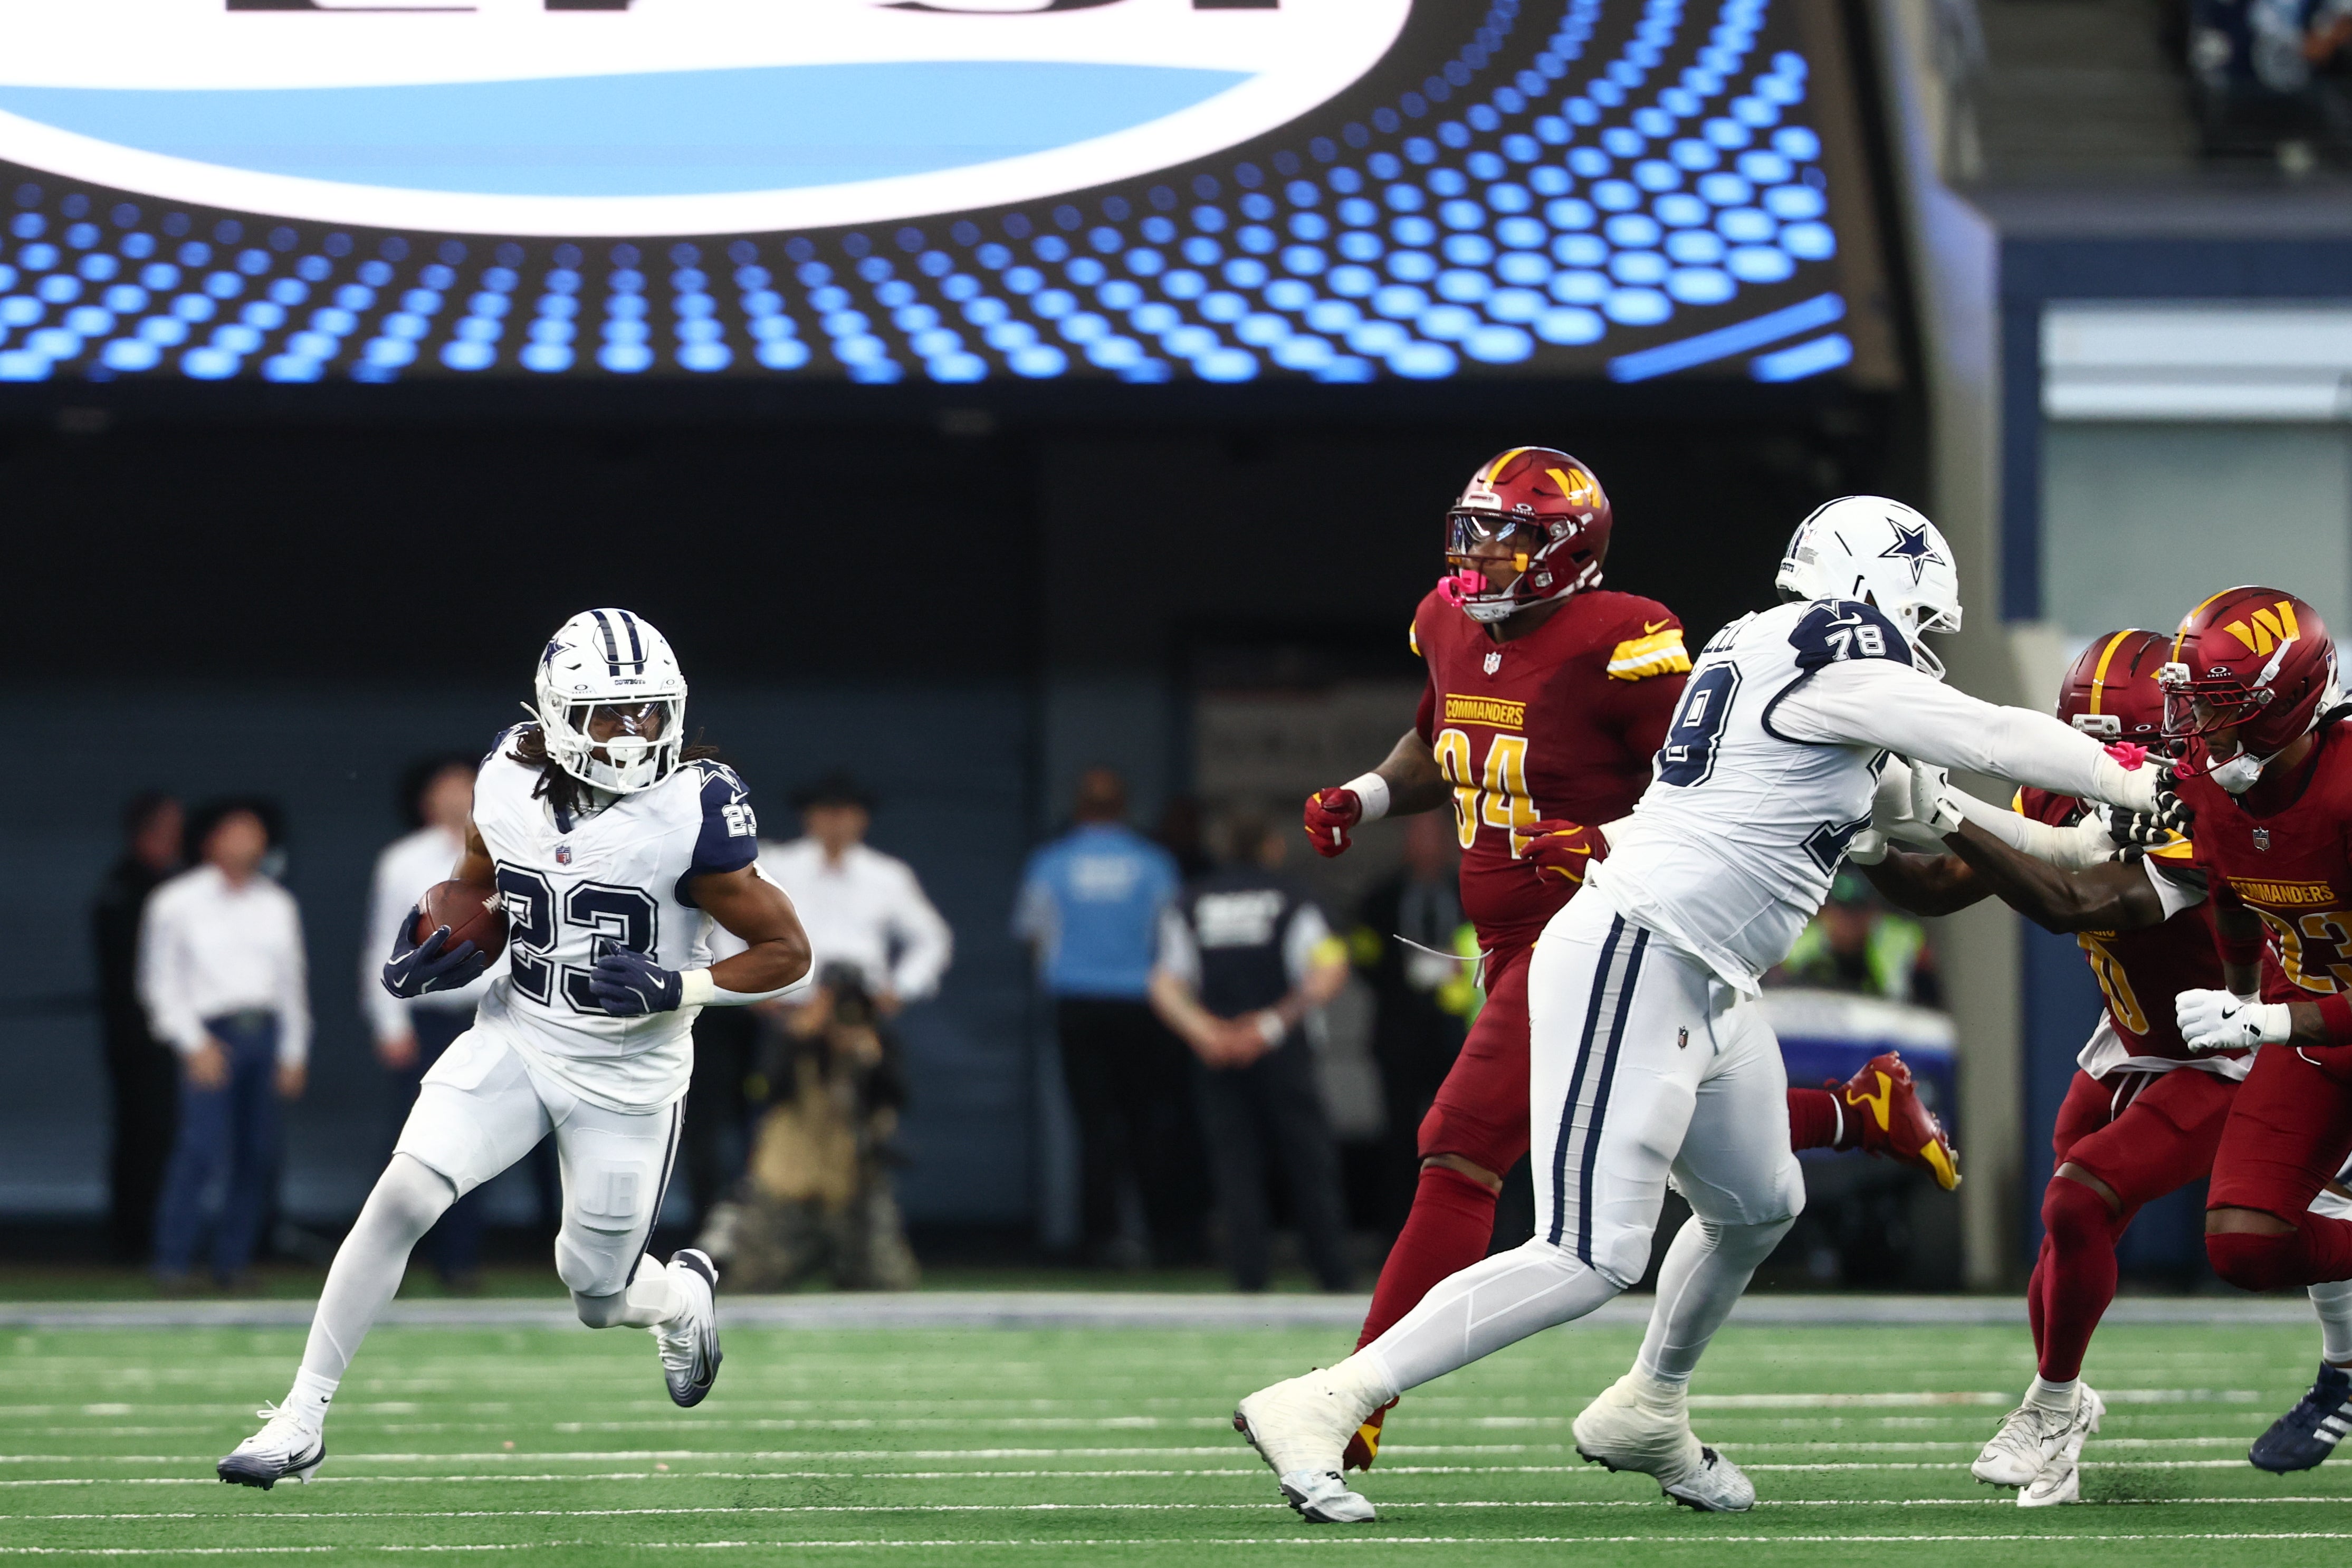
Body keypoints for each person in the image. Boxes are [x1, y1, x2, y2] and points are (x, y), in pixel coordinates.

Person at [1234, 495, 2171, 1524]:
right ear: (1883, 589)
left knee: (1759, 1202)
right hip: (1640, 950)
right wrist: (2126, 779)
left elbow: (1932, 813)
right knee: (1591, 1251)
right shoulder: (1832, 649)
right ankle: (1329, 1397)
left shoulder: (1786, 658)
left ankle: (1649, 1405)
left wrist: (2080, 846)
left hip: (1708, 972)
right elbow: (1986, 731)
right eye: (1924, 620)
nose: (1924, 647)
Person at [1295, 450, 1956, 1473]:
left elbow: (1722, 780)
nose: (1485, 552)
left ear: (1569, 551)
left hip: (1606, 928)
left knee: (1462, 1146)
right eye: (1476, 528)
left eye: (1512, 534)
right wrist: (1365, 797)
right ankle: (1852, 1111)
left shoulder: (1626, 639)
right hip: (1515, 941)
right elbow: (1440, 738)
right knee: (1648, 1133)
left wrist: (1604, 840)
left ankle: (1356, 1393)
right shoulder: (1446, 620)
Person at [216, 608, 813, 1489]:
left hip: (630, 1072)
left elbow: (789, 954)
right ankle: (300, 1419)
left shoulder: (695, 808)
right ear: (558, 712)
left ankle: (679, 1297)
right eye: (610, 713)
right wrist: (443, 941)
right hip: (519, 1034)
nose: (633, 733)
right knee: (402, 1196)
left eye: (649, 711)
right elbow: (478, 891)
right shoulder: (505, 774)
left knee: (596, 1292)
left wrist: (680, 985)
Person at [1850, 628, 2249, 1505]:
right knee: (2067, 1219)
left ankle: (2052, 1404)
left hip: (2226, 1050)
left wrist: (1948, 809)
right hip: (2128, 1037)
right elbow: (1940, 888)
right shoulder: (2061, 791)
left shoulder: (2206, 808)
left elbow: (2073, 902)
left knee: (2086, 1195)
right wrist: (1867, 840)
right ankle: (2059, 1429)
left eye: (2122, 746)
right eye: (2085, 740)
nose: (2100, 762)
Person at [2147, 590, 2352, 1469]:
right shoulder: (2210, 785)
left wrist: (2265, 1016)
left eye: (2219, 703)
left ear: (2286, 699)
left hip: (2304, 1013)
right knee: (2240, 1238)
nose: (2196, 722)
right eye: (2189, 699)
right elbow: (2235, 900)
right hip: (2308, 1022)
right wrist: (2235, 1003)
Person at [1150, 811, 1354, 1292]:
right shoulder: (1295, 899)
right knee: (1309, 1163)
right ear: (1273, 847)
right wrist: (1268, 1025)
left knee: (1234, 1169)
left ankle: (1249, 1281)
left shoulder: (1191, 901)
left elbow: (1164, 982)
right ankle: (1334, 1277)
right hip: (1282, 1050)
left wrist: (1205, 1032)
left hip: (1217, 1053)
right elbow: (1330, 969)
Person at [1013, 767, 1197, 1267]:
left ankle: (1099, 1241)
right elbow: (1174, 937)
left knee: (1092, 1127)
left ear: (1078, 808)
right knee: (1148, 1123)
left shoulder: (1051, 863)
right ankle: (1164, 1238)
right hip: (1143, 1004)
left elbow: (1033, 934)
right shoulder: (1154, 863)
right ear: (1124, 809)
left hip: (1078, 1004)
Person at [140, 800, 308, 1290]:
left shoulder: (277, 904)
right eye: (236, 832)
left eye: (255, 833)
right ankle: (172, 1260)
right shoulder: (176, 902)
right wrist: (192, 1043)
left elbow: (292, 982)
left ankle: (232, 1262)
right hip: (211, 1033)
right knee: (202, 1149)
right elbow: (159, 983)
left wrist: (294, 1051)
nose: (248, 843)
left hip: (266, 1030)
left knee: (258, 1153)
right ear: (211, 841)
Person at [363, 754, 498, 1288]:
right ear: (426, 799)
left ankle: (459, 1260)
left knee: (483, 1139)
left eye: (467, 786)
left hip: (491, 1014)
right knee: (415, 1140)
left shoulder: (510, 850)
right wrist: (389, 1024)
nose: (457, 796)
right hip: (428, 1019)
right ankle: (390, 1256)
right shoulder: (403, 860)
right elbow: (382, 943)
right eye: (447, 787)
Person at [1350, 811, 1473, 1230]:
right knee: (1400, 1137)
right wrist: (1401, 974)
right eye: (1416, 838)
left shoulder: (1467, 892)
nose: (1425, 847)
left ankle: (1458, 1230)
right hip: (1398, 1032)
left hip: (1455, 1035)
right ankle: (1397, 1231)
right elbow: (1361, 958)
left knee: (1460, 1136)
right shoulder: (1382, 898)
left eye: (1432, 837)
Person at [91, 791, 183, 1264]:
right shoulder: (125, 886)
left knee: (167, 1135)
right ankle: (133, 1237)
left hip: (170, 1035)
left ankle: (158, 1233)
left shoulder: (173, 883)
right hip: (136, 1036)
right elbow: (133, 973)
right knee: (142, 1135)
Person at [1772, 870, 1939, 1006]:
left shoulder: (1904, 938)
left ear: (1874, 912)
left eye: (1858, 910)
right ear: (1825, 912)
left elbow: (1931, 1002)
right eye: (1842, 910)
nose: (1849, 921)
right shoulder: (1795, 940)